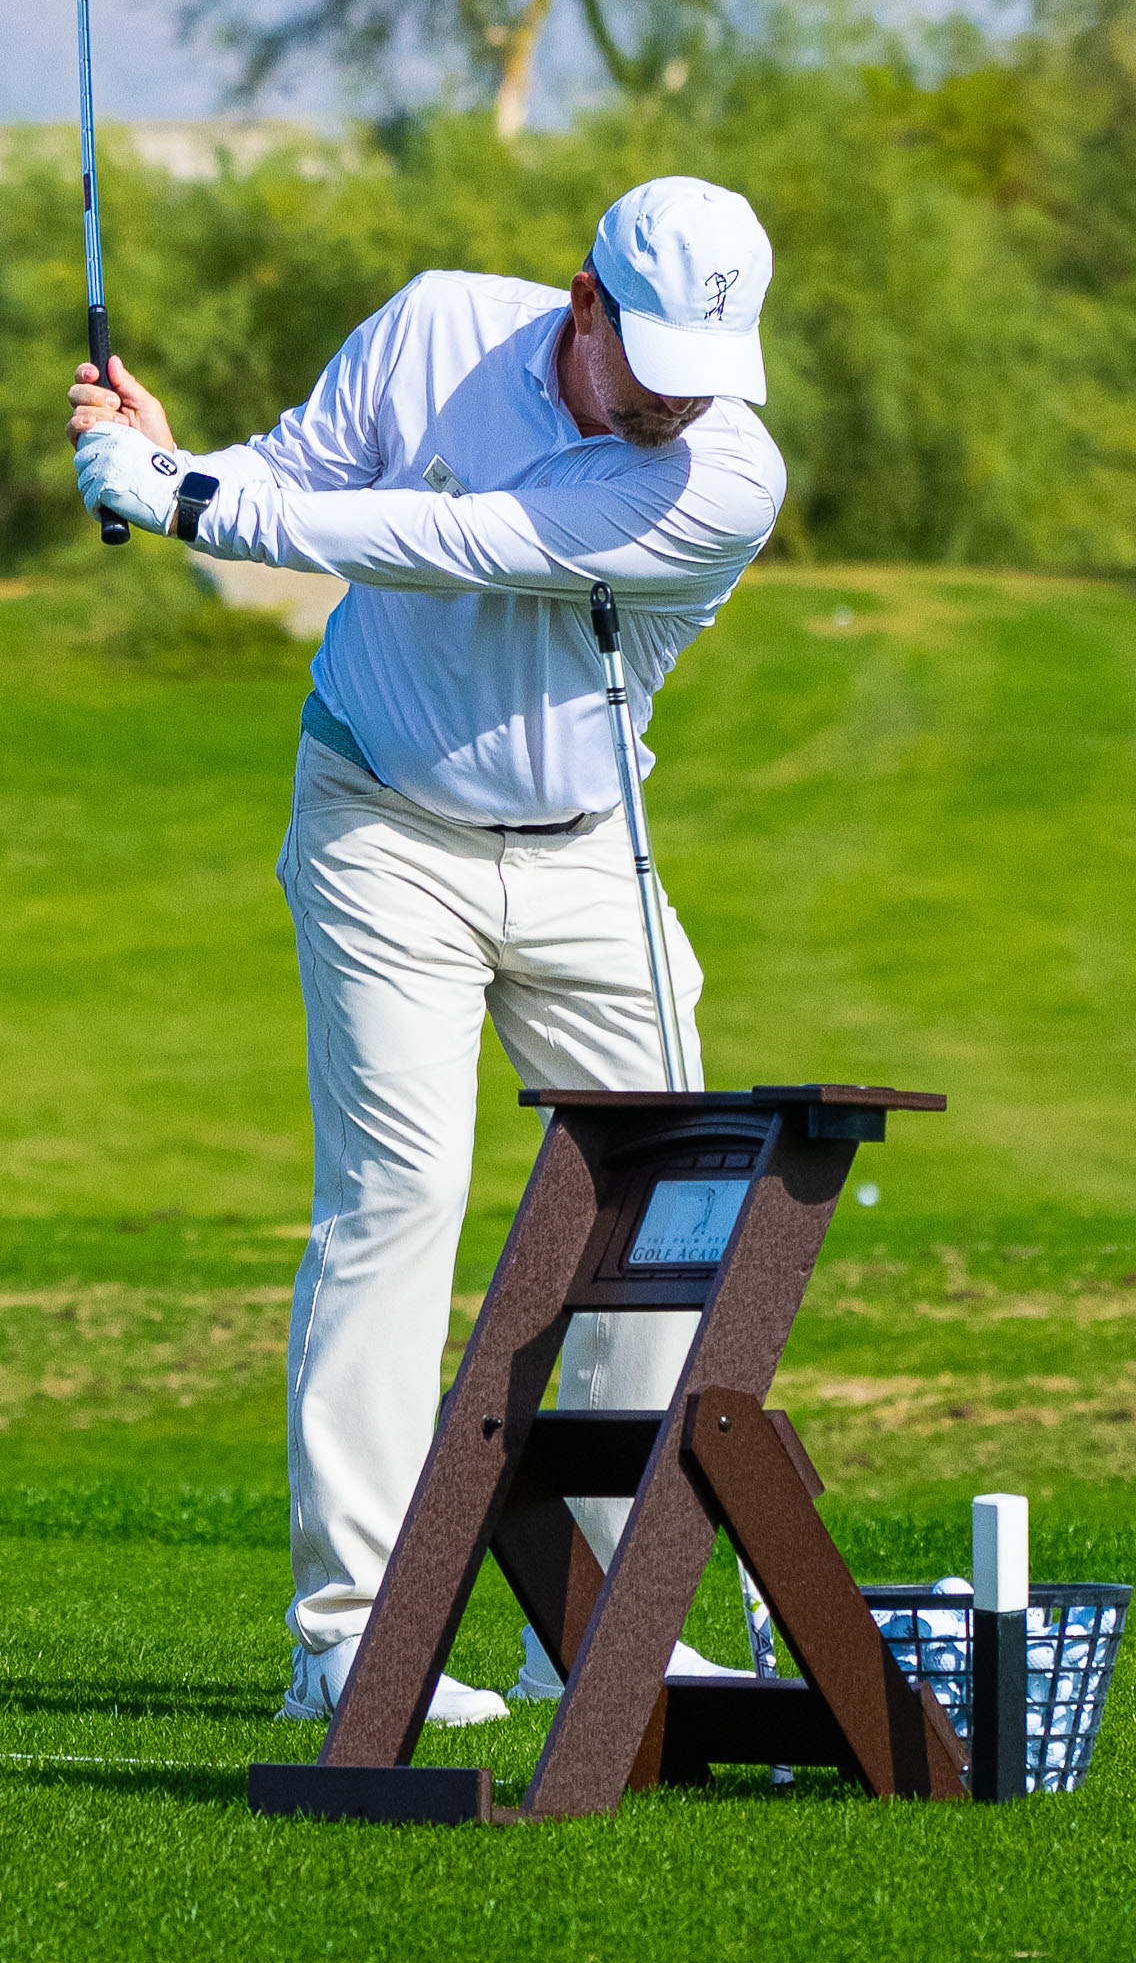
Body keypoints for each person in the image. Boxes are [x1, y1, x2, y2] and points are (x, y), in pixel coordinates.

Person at [69, 175, 787, 1727]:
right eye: (654, 360)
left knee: (667, 1217)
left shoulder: (722, 478)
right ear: (582, 304)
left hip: (593, 858)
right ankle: (351, 1639)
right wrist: (173, 458)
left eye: (707, 372)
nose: (679, 402)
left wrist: (176, 497)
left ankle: (603, 1624)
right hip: (383, 826)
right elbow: (300, 478)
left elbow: (446, 539)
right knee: (398, 1203)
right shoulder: (436, 327)